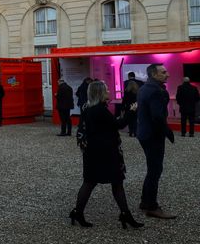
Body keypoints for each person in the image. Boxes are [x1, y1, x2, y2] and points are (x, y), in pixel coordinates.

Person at [70, 81, 143, 229]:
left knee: (91, 182)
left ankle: (78, 212)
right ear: (100, 93)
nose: (109, 92)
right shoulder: (99, 110)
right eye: (107, 90)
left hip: (93, 151)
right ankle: (125, 215)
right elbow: (119, 124)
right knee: (115, 182)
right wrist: (132, 111)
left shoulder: (89, 108)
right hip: (105, 152)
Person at [137, 63, 176, 219]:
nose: (167, 74)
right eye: (164, 72)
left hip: (145, 134)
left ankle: (146, 202)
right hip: (153, 135)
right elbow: (158, 116)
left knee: (152, 169)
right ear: (154, 74)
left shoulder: (144, 88)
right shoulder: (156, 91)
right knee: (155, 170)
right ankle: (151, 206)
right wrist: (168, 132)